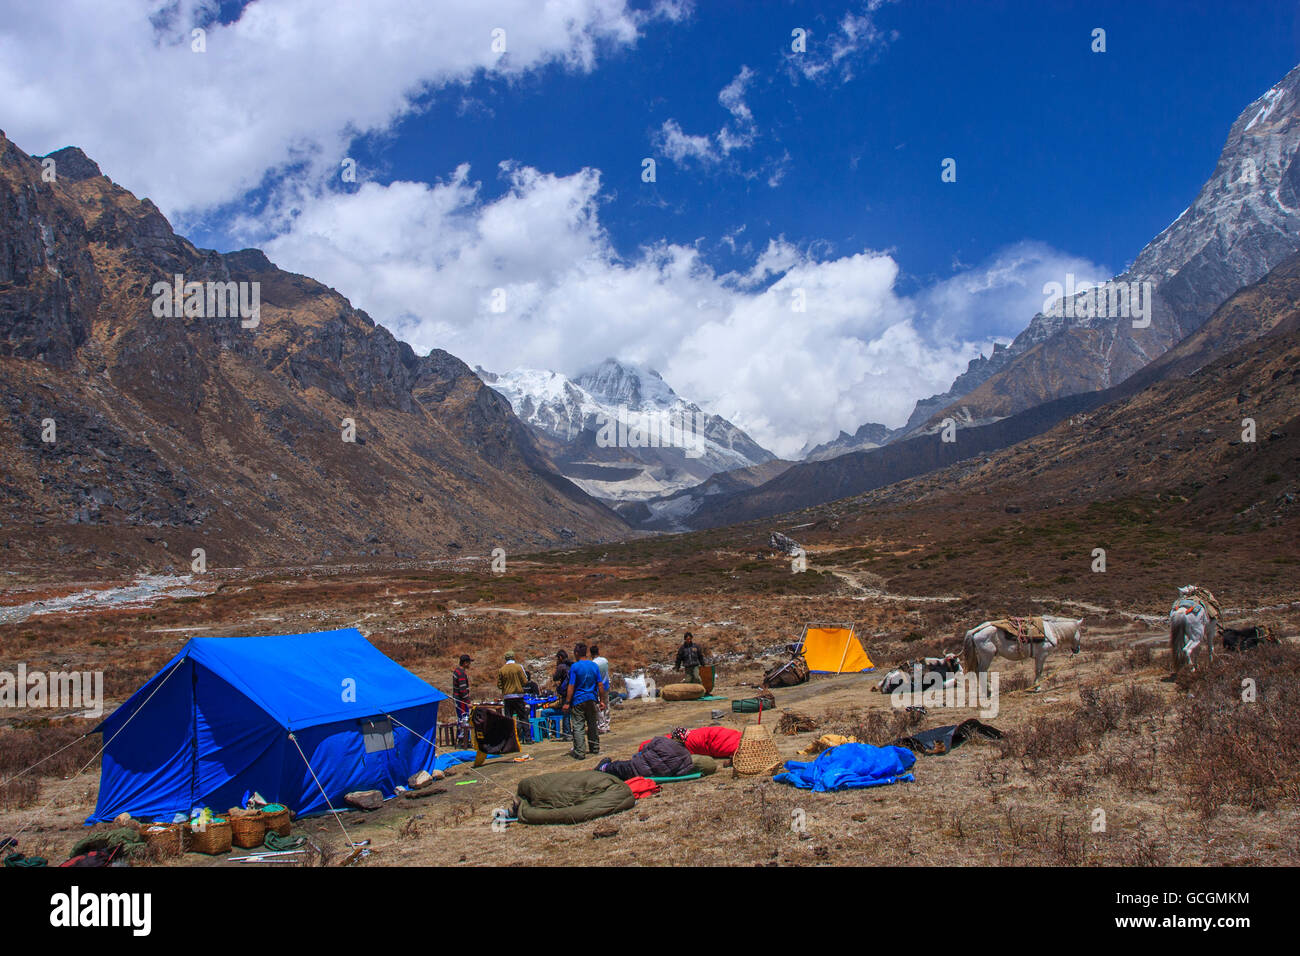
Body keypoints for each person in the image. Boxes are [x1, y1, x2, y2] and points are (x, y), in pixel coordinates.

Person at [562, 642, 606, 759]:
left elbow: (571, 686)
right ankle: (595, 748)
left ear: (576, 653)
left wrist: (567, 702)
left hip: (578, 700)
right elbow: (600, 685)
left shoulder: (575, 667)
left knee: (578, 726)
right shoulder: (593, 666)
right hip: (592, 698)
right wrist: (602, 700)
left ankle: (580, 752)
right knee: (592, 725)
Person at [497, 651, 531, 743]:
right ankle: (528, 738)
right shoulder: (519, 667)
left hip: (507, 697)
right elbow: (525, 681)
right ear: (513, 657)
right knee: (523, 717)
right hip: (518, 696)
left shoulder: (502, 669)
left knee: (508, 718)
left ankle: (509, 739)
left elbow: (499, 685)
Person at [451, 654, 472, 743]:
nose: (470, 664)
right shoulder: (461, 673)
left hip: (458, 699)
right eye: (469, 662)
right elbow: (463, 689)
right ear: (465, 663)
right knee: (464, 719)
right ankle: (465, 739)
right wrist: (468, 701)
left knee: (461, 718)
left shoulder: (456, 671)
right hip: (461, 700)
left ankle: (461, 738)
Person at [591, 643, 612, 733]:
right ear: (598, 652)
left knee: (599, 706)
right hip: (606, 685)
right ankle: (607, 724)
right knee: (607, 705)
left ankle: (601, 725)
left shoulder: (593, 663)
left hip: (598, 687)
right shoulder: (605, 660)